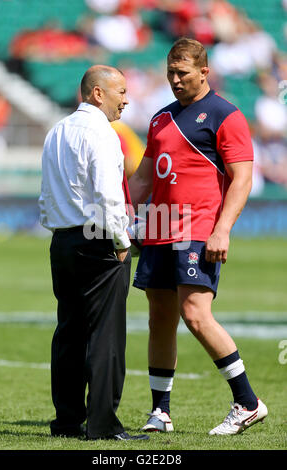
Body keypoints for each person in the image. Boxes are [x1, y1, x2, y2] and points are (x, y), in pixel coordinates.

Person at [128, 38, 268, 435]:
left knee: (195, 314)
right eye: (170, 72)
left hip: (198, 229)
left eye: (182, 73)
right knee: (160, 320)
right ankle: (161, 412)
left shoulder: (226, 115)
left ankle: (247, 401)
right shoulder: (159, 119)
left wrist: (222, 229)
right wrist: (120, 216)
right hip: (157, 228)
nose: (174, 80)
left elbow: (242, 178)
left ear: (204, 72)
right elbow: (143, 178)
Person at [38, 65, 149, 441]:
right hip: (99, 241)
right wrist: (121, 242)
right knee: (106, 335)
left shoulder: (57, 130)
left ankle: (67, 422)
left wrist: (58, 229)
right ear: (97, 93)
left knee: (69, 331)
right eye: (120, 90)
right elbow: (107, 194)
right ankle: (103, 424)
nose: (127, 99)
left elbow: (47, 193)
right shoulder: (102, 132)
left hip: (63, 240)